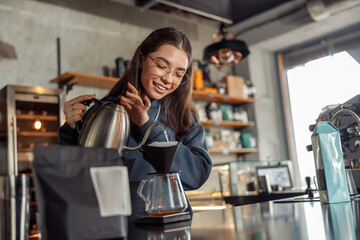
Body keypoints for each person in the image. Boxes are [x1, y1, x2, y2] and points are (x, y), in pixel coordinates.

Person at [58, 27, 212, 218]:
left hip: (172, 224)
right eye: (162, 66)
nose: (168, 79)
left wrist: (146, 126)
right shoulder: (106, 111)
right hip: (113, 225)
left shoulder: (184, 116)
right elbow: (75, 178)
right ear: (141, 59)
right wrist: (70, 131)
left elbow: (197, 174)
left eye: (179, 73)